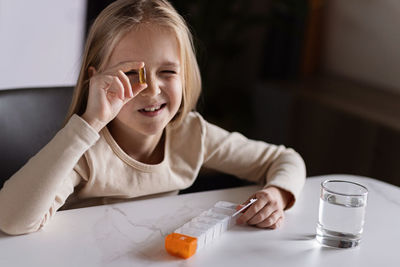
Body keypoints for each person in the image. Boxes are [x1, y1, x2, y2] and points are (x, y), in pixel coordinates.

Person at [0, 0, 305, 235]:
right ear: (97, 82)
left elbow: (285, 159)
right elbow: (12, 219)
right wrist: (89, 123)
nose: (152, 88)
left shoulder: (193, 134)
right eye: (132, 73)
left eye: (168, 72)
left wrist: (277, 194)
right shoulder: (86, 153)